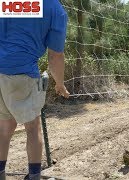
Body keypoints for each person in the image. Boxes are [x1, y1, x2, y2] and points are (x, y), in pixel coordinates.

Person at [0, 0, 69, 179]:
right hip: (23, 73)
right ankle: (34, 176)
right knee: (32, 127)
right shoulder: (54, 8)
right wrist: (59, 83)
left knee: (5, 127)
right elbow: (55, 56)